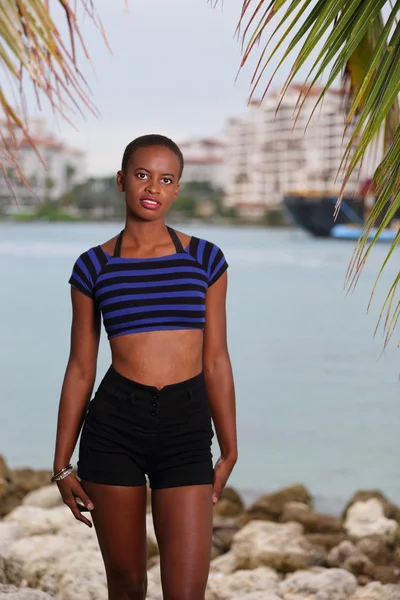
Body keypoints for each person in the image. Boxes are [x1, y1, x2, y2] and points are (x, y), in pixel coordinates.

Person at [52, 134, 237, 600]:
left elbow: (216, 358)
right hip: (114, 427)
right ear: (121, 181)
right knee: (128, 585)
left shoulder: (205, 259)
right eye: (142, 175)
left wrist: (230, 448)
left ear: (176, 189)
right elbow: (80, 367)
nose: (153, 186)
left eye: (166, 178)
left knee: (186, 592)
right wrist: (61, 464)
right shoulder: (93, 267)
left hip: (186, 428)